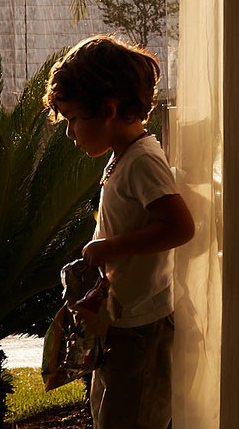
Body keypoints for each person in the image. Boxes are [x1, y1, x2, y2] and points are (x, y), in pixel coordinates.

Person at [44, 35, 195, 429]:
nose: (69, 131)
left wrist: (109, 247)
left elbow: (179, 226)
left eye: (74, 118)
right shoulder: (123, 157)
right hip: (122, 320)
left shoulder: (143, 161)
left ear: (108, 110)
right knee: (108, 413)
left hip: (142, 327)